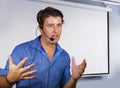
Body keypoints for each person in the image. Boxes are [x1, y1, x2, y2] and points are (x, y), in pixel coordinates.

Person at [0, 7, 86, 88]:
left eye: (59, 25)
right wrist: (9, 79)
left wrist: (74, 79)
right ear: (41, 29)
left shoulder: (64, 56)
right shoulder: (21, 51)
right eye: (50, 26)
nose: (56, 31)